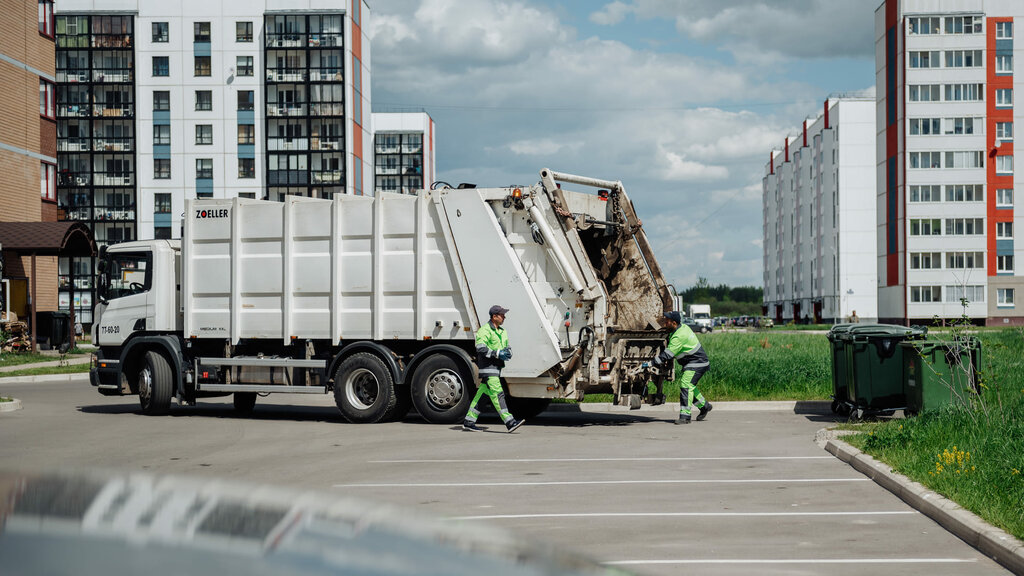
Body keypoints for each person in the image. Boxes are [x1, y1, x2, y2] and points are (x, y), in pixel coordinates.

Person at [463, 305, 525, 433]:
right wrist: (497, 353)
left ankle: (469, 421)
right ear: (494, 316)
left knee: (482, 395)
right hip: (488, 368)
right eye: (502, 315)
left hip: (497, 368)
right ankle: (510, 422)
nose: (504, 317)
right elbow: (480, 348)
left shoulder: (502, 331)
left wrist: (508, 352)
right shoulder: (485, 330)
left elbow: (506, 346)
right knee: (498, 393)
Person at [654, 311, 712, 425]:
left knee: (686, 385)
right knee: (690, 387)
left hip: (697, 363)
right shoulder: (681, 328)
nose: (665, 323)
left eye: (667, 321)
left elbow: (667, 355)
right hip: (695, 362)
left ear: (674, 323)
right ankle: (704, 406)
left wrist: (652, 363)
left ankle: (685, 417)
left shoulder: (680, 335)